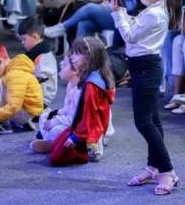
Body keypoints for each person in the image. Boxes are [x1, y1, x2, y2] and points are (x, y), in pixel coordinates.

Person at [110, 0, 182, 195]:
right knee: (152, 120)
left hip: (147, 68)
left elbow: (130, 35)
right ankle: (153, 167)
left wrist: (118, 12)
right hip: (143, 66)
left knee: (144, 123)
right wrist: (123, 14)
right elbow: (135, 32)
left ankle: (167, 171)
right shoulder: (154, 9)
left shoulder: (155, 13)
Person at [46, 37, 115, 166]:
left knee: (56, 158)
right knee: (58, 142)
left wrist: (77, 137)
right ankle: (56, 145)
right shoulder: (90, 78)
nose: (72, 57)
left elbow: (90, 116)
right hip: (82, 127)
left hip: (88, 131)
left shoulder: (91, 85)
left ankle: (87, 152)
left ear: (90, 57)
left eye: (77, 54)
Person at [0, 43, 44, 134]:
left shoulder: (14, 74)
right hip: (27, 112)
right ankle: (17, 123)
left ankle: (2, 124)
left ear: (0, 61)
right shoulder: (14, 70)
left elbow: (13, 107)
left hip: (23, 113)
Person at [30, 53, 82, 153]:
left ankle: (51, 143)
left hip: (80, 130)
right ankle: (50, 140)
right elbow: (68, 109)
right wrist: (57, 114)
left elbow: (75, 120)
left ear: (75, 70)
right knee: (45, 115)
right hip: (69, 122)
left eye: (65, 64)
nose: (61, 64)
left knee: (56, 130)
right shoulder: (71, 85)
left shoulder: (80, 91)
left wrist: (56, 121)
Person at [18, 17, 58, 107]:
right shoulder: (37, 52)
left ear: (35, 37)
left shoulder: (42, 57)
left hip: (39, 103)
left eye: (23, 39)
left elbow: (39, 83)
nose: (22, 43)